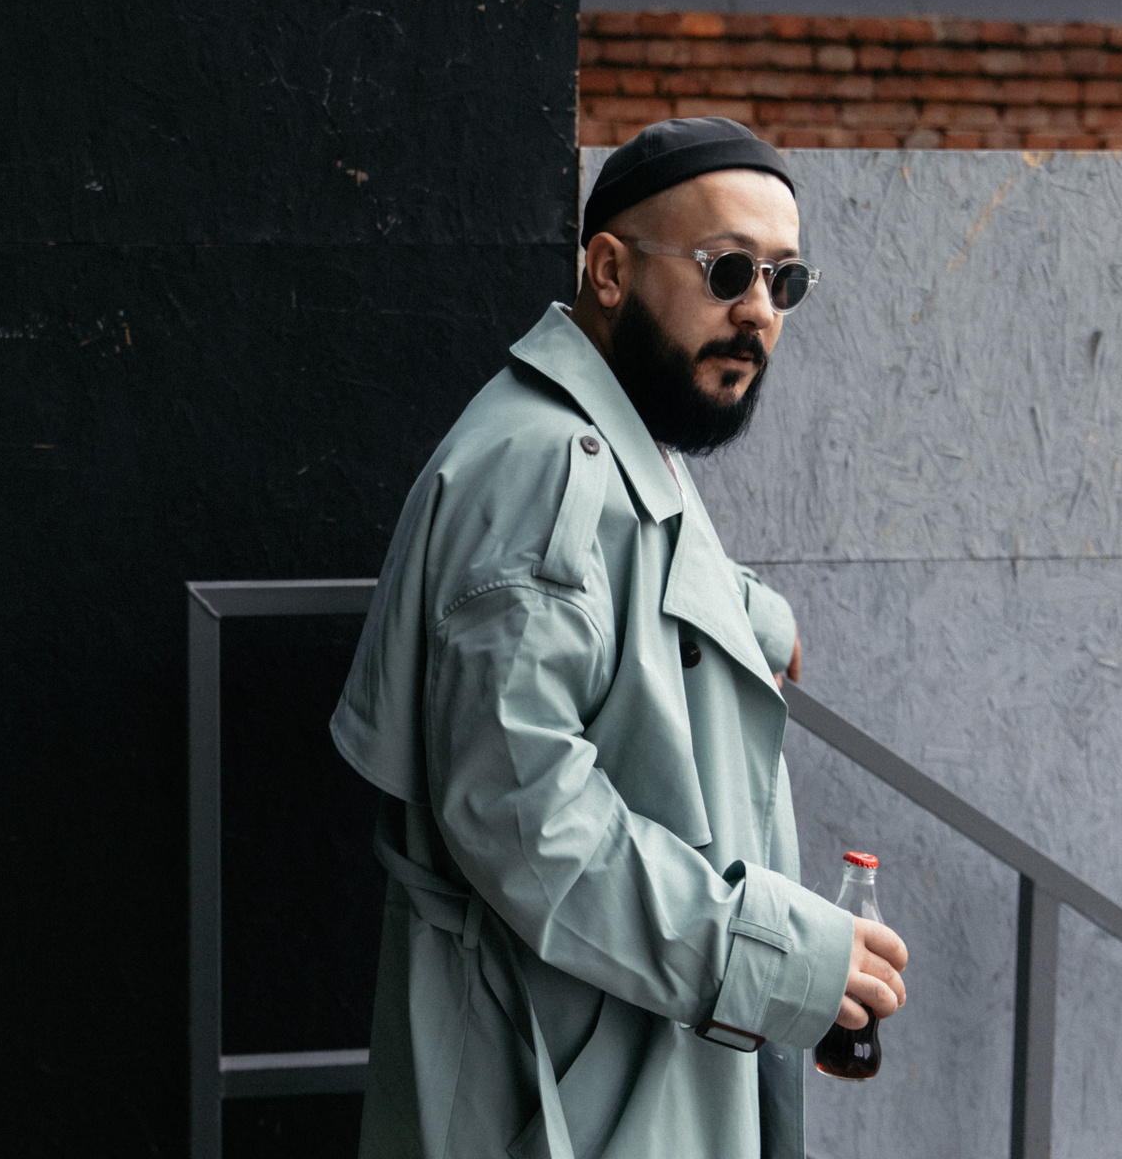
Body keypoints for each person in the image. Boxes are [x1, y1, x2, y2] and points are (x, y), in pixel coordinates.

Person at [330, 118, 910, 1159]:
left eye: (784, 280)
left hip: (613, 1051)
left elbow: (623, 563)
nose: (758, 311)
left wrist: (750, 617)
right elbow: (526, 816)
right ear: (608, 269)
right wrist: (775, 958)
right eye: (727, 269)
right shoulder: (547, 467)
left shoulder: (609, 425)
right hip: (560, 1087)